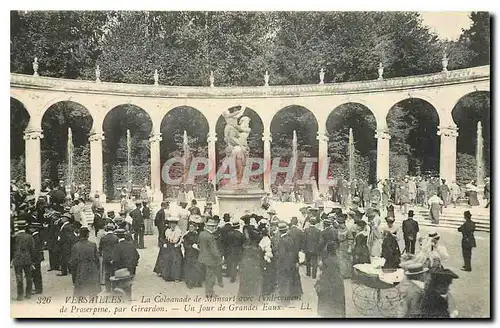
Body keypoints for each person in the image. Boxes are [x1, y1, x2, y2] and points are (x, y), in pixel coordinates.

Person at [315, 242, 346, 318]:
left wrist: (318, 283)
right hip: (338, 282)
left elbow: (321, 275)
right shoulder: (338, 258)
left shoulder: (325, 261)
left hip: (328, 282)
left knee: (327, 299)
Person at [274, 221, 302, 303]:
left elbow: (281, 254)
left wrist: (276, 254)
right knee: (289, 280)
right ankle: (289, 297)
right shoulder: (290, 238)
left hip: (283, 264)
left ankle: (284, 300)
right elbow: (294, 250)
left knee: (283, 281)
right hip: (291, 263)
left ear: (279, 231)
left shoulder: (282, 241)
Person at [69, 227, 100, 297]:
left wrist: (74, 277)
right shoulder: (93, 245)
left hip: (81, 269)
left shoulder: (75, 246)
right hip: (92, 268)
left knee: (81, 292)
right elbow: (97, 259)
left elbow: (73, 263)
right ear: (88, 235)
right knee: (92, 291)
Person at [198, 217, 223, 297]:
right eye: (213, 226)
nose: (214, 228)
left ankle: (209, 292)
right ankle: (210, 292)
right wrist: (220, 258)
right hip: (210, 260)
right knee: (210, 277)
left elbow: (199, 245)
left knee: (207, 276)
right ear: (210, 227)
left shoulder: (202, 234)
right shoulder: (210, 237)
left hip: (202, 257)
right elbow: (214, 251)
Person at [153, 217, 183, 282]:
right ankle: (164, 273)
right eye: (171, 224)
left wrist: (177, 244)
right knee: (164, 254)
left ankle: (176, 276)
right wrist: (164, 243)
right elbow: (162, 238)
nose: (173, 225)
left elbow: (179, 240)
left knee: (176, 258)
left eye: (174, 224)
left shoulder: (178, 231)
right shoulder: (167, 230)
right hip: (168, 246)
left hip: (175, 246)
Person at [12, 220, 35, 301]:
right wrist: (33, 260)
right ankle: (28, 294)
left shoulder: (15, 237)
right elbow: (32, 249)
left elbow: (11, 249)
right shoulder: (29, 237)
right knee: (29, 277)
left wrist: (11, 259)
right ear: (25, 227)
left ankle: (20, 296)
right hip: (27, 258)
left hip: (17, 258)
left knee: (19, 277)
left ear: (18, 227)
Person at [183, 222, 204, 288]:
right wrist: (192, 246)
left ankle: (197, 282)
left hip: (197, 253)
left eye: (192, 227)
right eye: (190, 227)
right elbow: (185, 245)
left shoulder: (198, 235)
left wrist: (198, 247)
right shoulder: (186, 236)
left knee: (197, 267)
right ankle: (190, 282)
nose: (191, 228)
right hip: (189, 253)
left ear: (195, 227)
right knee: (189, 267)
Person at [99, 223, 119, 292]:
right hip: (113, 257)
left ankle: (107, 288)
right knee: (113, 272)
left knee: (107, 273)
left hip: (106, 257)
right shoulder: (116, 238)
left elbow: (100, 248)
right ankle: (113, 287)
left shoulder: (103, 238)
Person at [30, 222, 44, 294]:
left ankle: (38, 289)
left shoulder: (35, 237)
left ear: (35, 229)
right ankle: (38, 288)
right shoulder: (37, 236)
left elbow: (35, 250)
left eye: (32, 227)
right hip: (38, 258)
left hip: (36, 258)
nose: (30, 229)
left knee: (36, 274)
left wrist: (33, 259)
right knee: (37, 273)